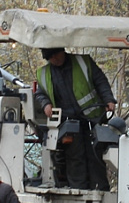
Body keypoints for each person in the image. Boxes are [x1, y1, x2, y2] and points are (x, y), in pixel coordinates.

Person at [34, 47, 117, 190]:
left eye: (56, 55)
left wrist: (108, 99)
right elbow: (40, 94)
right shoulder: (44, 74)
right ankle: (79, 190)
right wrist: (45, 104)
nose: (55, 59)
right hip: (68, 123)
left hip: (91, 120)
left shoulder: (83, 62)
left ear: (62, 51)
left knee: (95, 158)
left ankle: (99, 189)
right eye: (51, 58)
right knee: (74, 160)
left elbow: (100, 81)